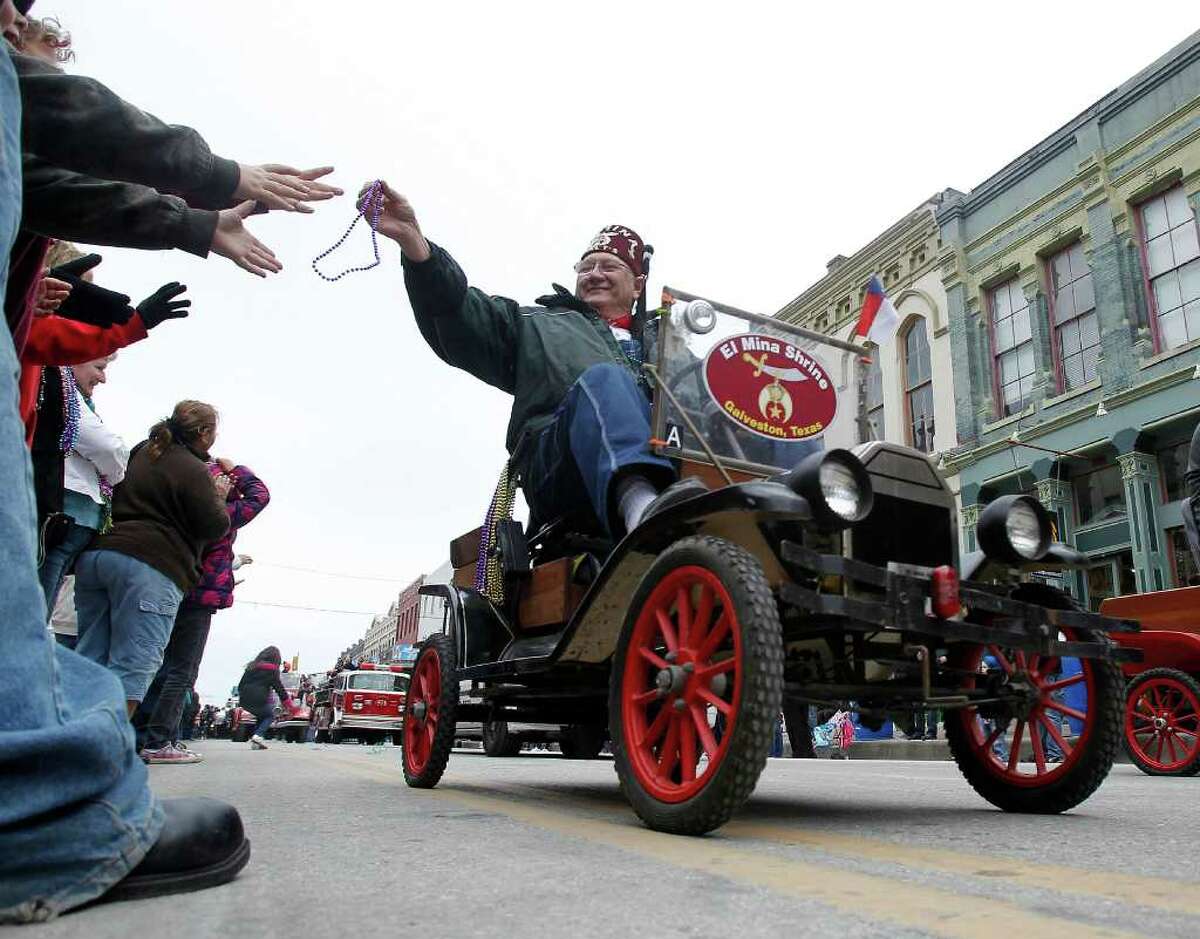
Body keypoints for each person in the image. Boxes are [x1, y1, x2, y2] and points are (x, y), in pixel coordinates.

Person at [0, 8, 250, 920]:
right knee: (130, 659)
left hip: (106, 547)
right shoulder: (185, 468)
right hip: (145, 565)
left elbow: (62, 188)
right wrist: (217, 188)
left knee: (76, 651)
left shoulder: (140, 449)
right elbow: (225, 516)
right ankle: (64, 813)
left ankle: (74, 749)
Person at [367, 181, 705, 539]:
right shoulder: (534, 324)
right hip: (561, 469)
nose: (594, 275)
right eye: (586, 266)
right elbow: (458, 312)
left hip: (681, 471)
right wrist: (415, 243)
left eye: (608, 266)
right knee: (605, 380)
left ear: (637, 285)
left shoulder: (675, 349)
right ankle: (644, 512)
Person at [74, 401, 230, 716]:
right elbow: (215, 526)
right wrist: (220, 497)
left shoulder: (142, 451)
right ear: (202, 433)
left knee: (89, 659)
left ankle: (70, 741)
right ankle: (103, 747)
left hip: (100, 554)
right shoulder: (193, 468)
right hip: (152, 564)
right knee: (135, 662)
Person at [135, 457, 270, 764]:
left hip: (172, 585)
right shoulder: (216, 515)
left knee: (161, 664)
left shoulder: (177, 511)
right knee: (182, 671)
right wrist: (234, 468)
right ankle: (159, 740)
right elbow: (259, 495)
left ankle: (145, 736)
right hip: (199, 594)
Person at [36, 353, 127, 618]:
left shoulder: (72, 396)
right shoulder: (64, 392)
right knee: (36, 606)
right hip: (64, 514)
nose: (103, 377)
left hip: (71, 519)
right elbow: (107, 448)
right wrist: (116, 469)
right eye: (99, 367)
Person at [237, 646, 299, 750]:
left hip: (244, 698)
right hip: (259, 697)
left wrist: (243, 695)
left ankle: (256, 743)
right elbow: (280, 689)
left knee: (261, 716)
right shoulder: (272, 670)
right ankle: (258, 736)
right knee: (269, 716)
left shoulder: (251, 666)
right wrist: (290, 706)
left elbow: (240, 684)